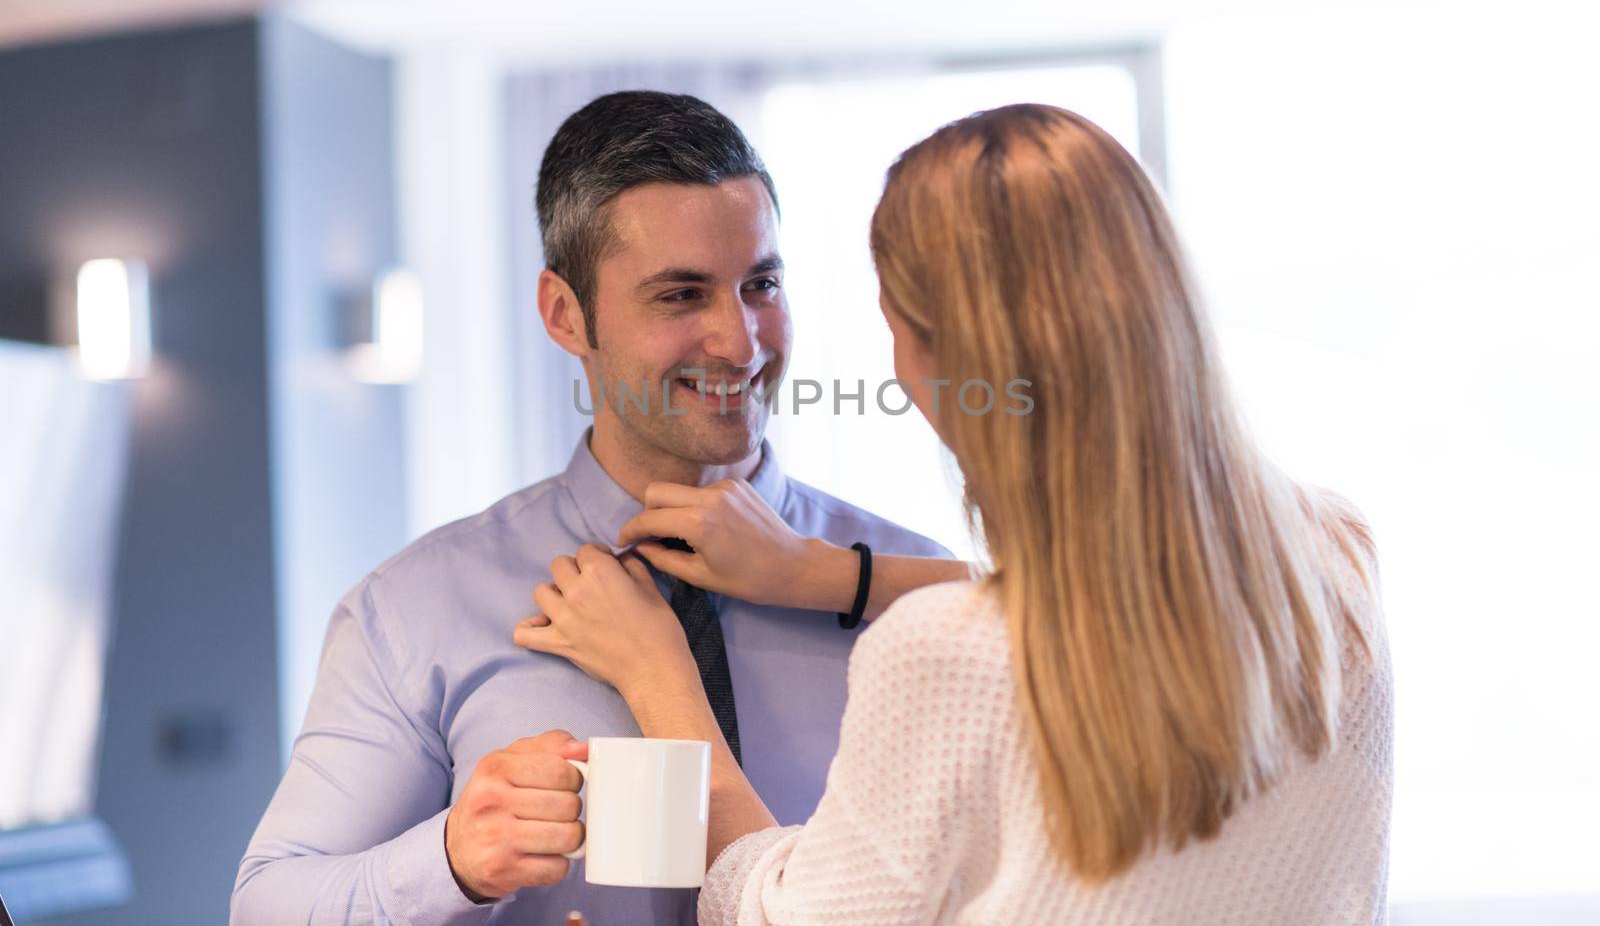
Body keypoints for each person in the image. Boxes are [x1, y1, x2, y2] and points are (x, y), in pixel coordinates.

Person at [518, 104, 1394, 924]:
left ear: (954, 362)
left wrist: (658, 677)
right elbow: (1126, 586)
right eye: (682, 294)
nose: (743, 343)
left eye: (892, 323)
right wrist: (826, 575)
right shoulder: (1333, 555)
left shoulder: (945, 655)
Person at [230, 92, 954, 925]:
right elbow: (267, 906)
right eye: (681, 295)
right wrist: (451, 858)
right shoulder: (413, 609)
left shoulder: (912, 601)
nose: (741, 341)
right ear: (565, 315)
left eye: (760, 283)